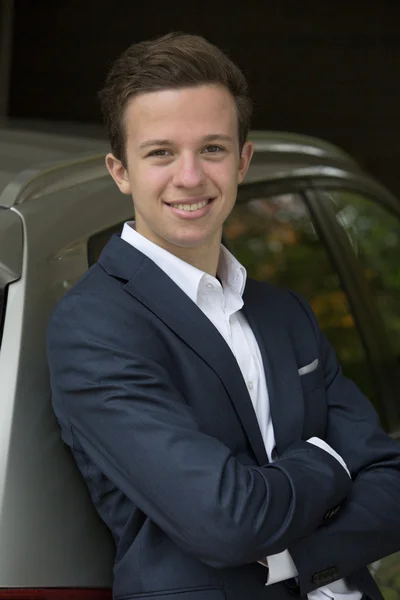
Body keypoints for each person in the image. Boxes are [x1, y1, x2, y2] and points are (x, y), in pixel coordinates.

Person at [46, 32, 400, 600]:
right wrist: (329, 460)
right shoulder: (95, 326)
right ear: (120, 171)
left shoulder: (285, 314)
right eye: (161, 152)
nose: (190, 177)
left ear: (242, 161)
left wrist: (292, 557)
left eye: (211, 148)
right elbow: (227, 521)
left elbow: (392, 484)